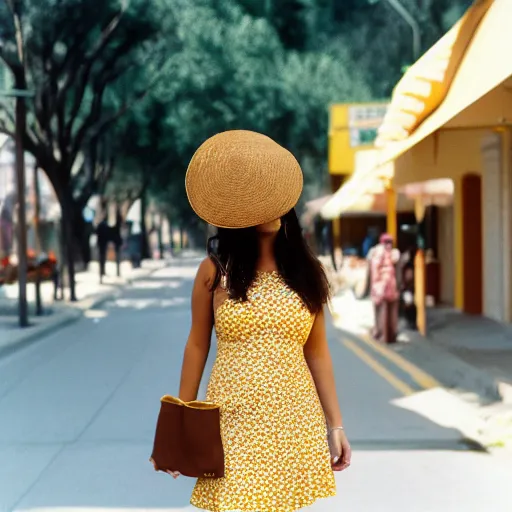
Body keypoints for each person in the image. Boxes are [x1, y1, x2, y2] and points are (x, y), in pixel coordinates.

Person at [167, 131, 350, 512]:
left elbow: (317, 354)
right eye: (256, 201)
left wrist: (336, 426)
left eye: (274, 198)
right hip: (232, 418)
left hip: (292, 419)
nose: (269, 209)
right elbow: (197, 344)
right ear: (236, 215)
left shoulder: (307, 274)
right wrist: (180, 421)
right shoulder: (214, 272)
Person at [370, 233, 400, 344]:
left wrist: (375, 286)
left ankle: (382, 334)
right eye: (387, 242)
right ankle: (390, 335)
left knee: (382, 311)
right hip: (389, 285)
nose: (389, 245)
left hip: (383, 285)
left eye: (390, 242)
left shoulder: (379, 252)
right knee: (389, 311)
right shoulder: (392, 254)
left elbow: (374, 270)